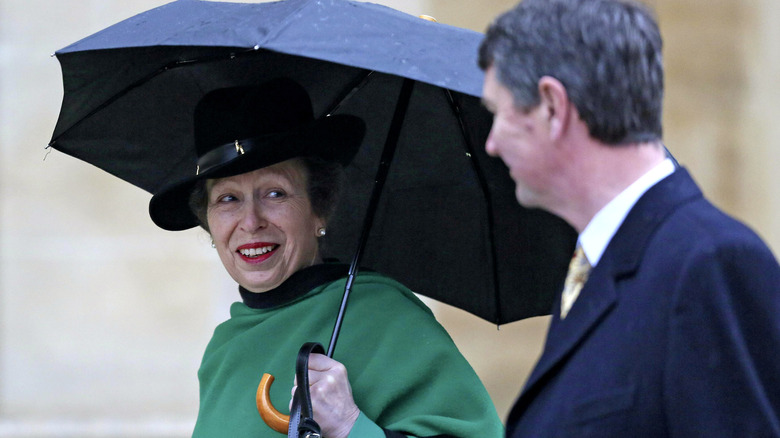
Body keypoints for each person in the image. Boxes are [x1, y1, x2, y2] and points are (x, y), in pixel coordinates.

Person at [477, 0, 780, 436]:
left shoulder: (709, 263)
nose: (490, 143)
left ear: (551, 106)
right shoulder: (599, 266)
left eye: (497, 113)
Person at [147, 78, 504, 438]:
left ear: (320, 209)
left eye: (275, 192)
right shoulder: (224, 347)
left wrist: (350, 426)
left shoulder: (385, 318)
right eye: (228, 199)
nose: (251, 222)